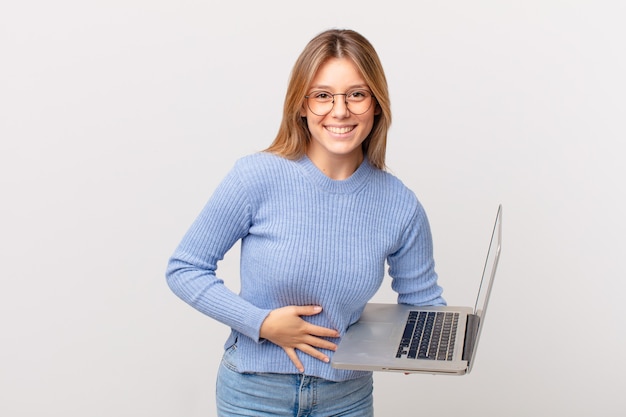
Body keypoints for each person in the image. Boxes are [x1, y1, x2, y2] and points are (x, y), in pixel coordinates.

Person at [166, 28, 446, 417]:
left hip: (346, 399)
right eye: (323, 96)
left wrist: (436, 343)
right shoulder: (256, 177)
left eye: (357, 94)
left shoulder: (400, 204)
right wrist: (261, 323)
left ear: (377, 105)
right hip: (254, 394)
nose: (340, 110)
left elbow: (423, 303)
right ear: (301, 105)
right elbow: (184, 268)